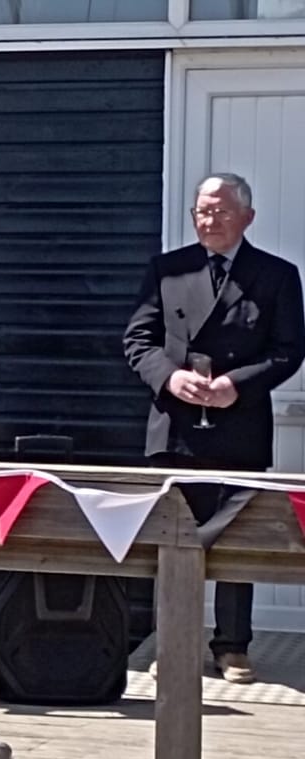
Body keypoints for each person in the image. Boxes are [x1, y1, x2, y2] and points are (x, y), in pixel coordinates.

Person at [123, 173, 304, 685]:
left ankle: (233, 646)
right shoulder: (167, 269)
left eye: (221, 210)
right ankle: (172, 642)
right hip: (175, 429)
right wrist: (170, 377)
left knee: (237, 543)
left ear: (247, 216)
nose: (210, 220)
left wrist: (235, 386)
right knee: (172, 539)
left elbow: (289, 350)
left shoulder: (277, 275)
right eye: (202, 211)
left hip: (239, 428)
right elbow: (138, 341)